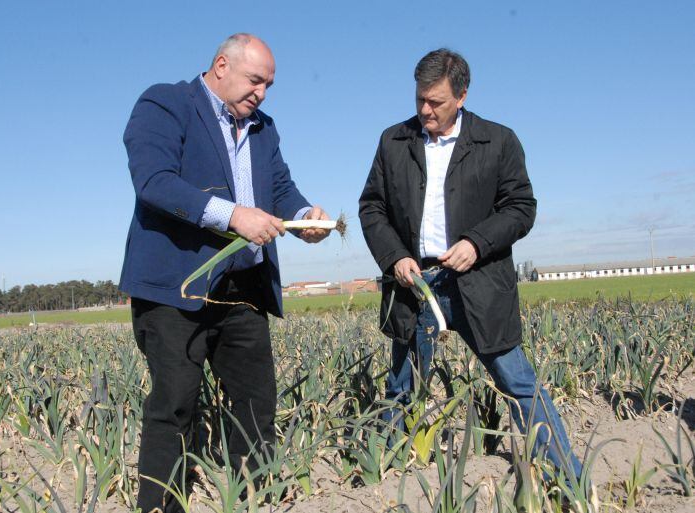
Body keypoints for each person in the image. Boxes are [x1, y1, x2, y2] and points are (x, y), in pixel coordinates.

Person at [119, 33, 330, 512]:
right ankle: (160, 506)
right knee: (173, 407)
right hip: (178, 289)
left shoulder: (263, 127)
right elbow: (154, 181)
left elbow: (280, 189)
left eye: (269, 85)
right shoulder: (165, 104)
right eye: (255, 80)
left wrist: (304, 218)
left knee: (256, 405)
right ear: (221, 65)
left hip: (244, 288)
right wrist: (234, 215)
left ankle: (256, 498)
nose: (262, 93)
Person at [358, 49, 583, 481]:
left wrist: (476, 244)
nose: (425, 110)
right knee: (402, 388)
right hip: (415, 285)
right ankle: (379, 482)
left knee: (519, 384)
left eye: (436, 102)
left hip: (478, 283)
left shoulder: (498, 141)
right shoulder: (393, 141)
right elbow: (372, 208)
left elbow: (520, 208)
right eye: (420, 99)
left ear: (462, 96)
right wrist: (395, 256)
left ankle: (571, 480)